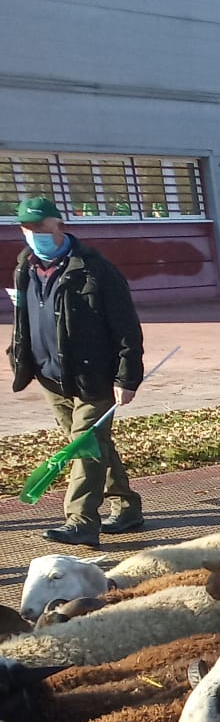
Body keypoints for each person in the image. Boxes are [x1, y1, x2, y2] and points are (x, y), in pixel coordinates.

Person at [9, 195, 146, 546]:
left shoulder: (95, 268)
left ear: (60, 225)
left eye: (42, 227)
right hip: (50, 375)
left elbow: (127, 327)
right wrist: (19, 353)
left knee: (83, 446)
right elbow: (23, 317)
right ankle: (128, 506)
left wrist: (127, 377)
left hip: (93, 377)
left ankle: (82, 520)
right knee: (92, 442)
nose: (35, 234)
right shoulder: (25, 265)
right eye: (27, 228)